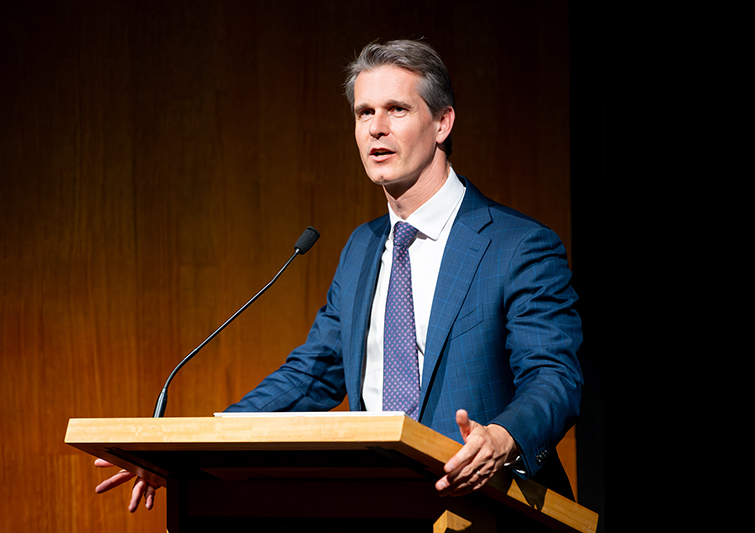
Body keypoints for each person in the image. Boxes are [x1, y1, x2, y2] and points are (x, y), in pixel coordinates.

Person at [96, 38, 582, 512]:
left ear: (442, 122)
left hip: (487, 505)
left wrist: (502, 437)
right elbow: (314, 373)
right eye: (364, 113)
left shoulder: (517, 245)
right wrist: (194, 445)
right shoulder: (362, 247)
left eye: (397, 109)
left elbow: (553, 376)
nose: (376, 128)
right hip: (376, 501)